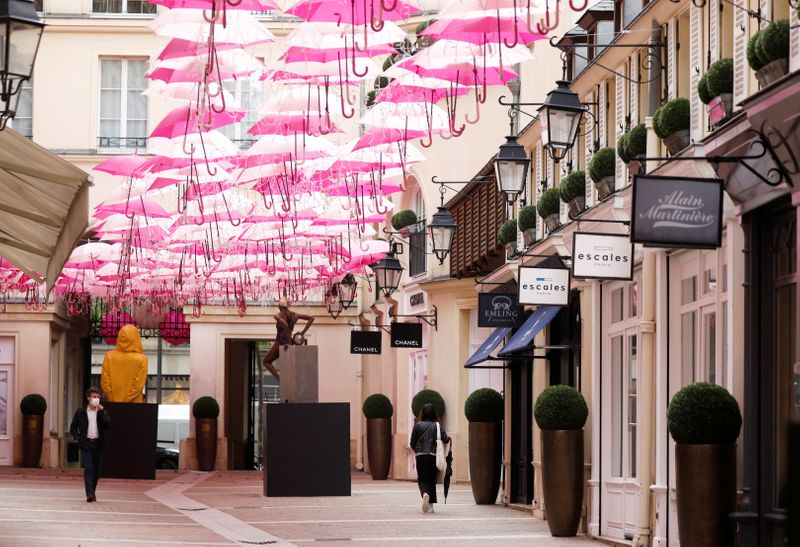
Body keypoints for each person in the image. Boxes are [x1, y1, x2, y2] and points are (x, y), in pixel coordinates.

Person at [70, 387, 111, 502]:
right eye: (94, 397)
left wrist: (102, 411)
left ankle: (92, 491)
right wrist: (79, 439)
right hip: (87, 443)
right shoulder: (81, 412)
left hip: (98, 443)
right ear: (88, 398)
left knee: (96, 471)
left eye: (98, 397)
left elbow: (108, 425)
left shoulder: (102, 412)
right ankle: (89, 493)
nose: (96, 399)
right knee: (88, 468)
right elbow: (73, 428)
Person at [409, 403, 449, 514]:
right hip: (433, 455)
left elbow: (412, 442)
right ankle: (431, 506)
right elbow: (445, 439)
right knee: (431, 480)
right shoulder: (437, 425)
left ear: (423, 413)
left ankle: (424, 494)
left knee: (422, 479)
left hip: (421, 456)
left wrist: (417, 451)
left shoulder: (417, 425)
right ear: (434, 413)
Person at [262, 298, 314, 382]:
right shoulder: (295, 315)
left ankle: (279, 379)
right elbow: (311, 318)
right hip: (289, 342)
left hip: (280, 341)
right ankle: (284, 380)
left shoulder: (279, 315)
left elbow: (283, 324)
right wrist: (302, 333)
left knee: (265, 361)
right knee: (288, 367)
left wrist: (279, 320)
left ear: (280, 306)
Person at [100, 324, 148, 403]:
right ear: (136, 338)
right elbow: (138, 386)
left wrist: (113, 401)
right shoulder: (142, 359)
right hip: (134, 406)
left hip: (113, 405)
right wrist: (125, 402)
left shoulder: (109, 356)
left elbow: (105, 383)